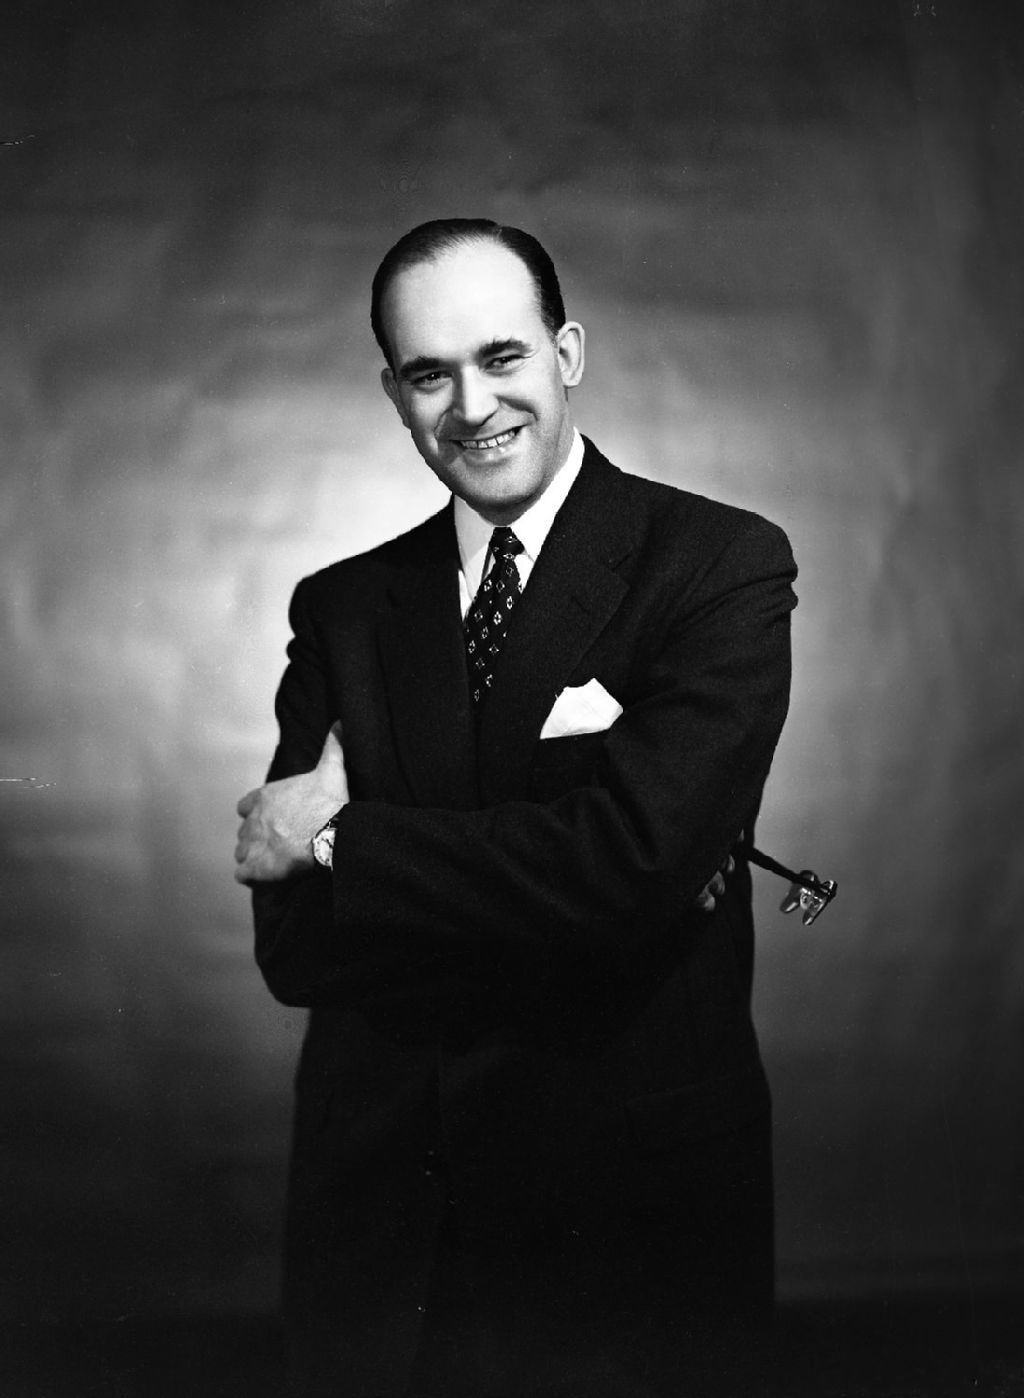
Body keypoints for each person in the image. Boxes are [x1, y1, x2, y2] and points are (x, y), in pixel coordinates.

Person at [234, 218, 797, 1397]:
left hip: (628, 1216)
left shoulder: (716, 564)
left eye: (501, 358)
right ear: (393, 393)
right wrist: (562, 883)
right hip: (391, 1221)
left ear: (567, 353)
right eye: (428, 374)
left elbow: (628, 870)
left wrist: (338, 839)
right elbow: (292, 947)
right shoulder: (343, 607)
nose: (472, 407)